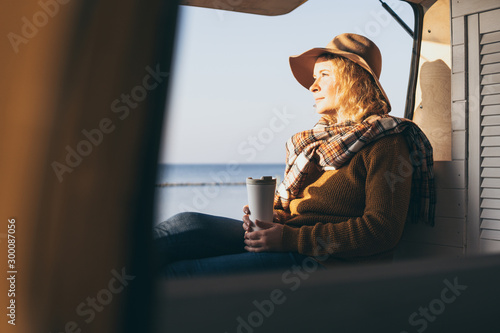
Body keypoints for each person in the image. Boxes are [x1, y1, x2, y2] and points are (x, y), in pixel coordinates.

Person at [153, 33, 435, 278]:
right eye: (314, 78)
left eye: (324, 75)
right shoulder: (315, 143)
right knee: (185, 224)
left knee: (178, 273)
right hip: (291, 239)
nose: (312, 87)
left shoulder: (387, 142)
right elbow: (292, 210)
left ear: (354, 81)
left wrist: (289, 239)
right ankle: (110, 264)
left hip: (329, 264)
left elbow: (382, 230)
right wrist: (271, 217)